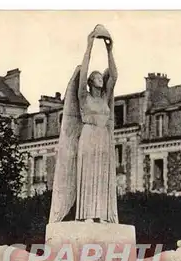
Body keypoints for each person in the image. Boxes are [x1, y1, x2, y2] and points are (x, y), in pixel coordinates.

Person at [49, 25, 119, 224]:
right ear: (90, 82)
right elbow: (84, 70)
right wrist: (89, 46)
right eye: (96, 77)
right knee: (88, 175)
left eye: (100, 77)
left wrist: (109, 49)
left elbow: (114, 75)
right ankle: (88, 214)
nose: (100, 79)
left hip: (103, 137)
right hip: (88, 135)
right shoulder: (83, 96)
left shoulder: (105, 98)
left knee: (102, 176)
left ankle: (102, 214)